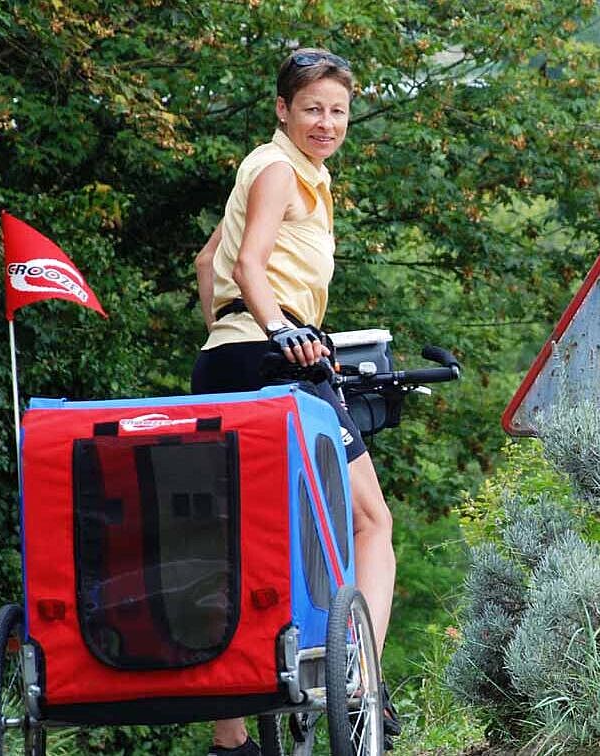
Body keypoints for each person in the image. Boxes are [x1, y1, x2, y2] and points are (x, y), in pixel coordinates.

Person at [191, 48, 400, 755]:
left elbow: (209, 261)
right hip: (275, 355)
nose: (326, 121)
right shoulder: (280, 167)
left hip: (225, 358)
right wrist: (281, 332)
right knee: (372, 523)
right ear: (283, 109)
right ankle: (356, 676)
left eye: (338, 110)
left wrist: (231, 330)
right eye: (311, 107)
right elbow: (249, 262)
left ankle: (230, 738)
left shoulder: (287, 171)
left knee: (240, 543)